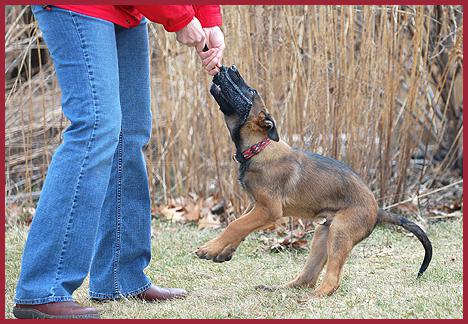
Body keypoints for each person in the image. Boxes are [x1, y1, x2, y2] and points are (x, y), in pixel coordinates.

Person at [13, 5, 225, 319]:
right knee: (96, 126)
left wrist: (208, 18)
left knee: (130, 131)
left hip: (126, 11)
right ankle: (43, 287)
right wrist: (178, 16)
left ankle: (121, 277)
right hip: (78, 7)